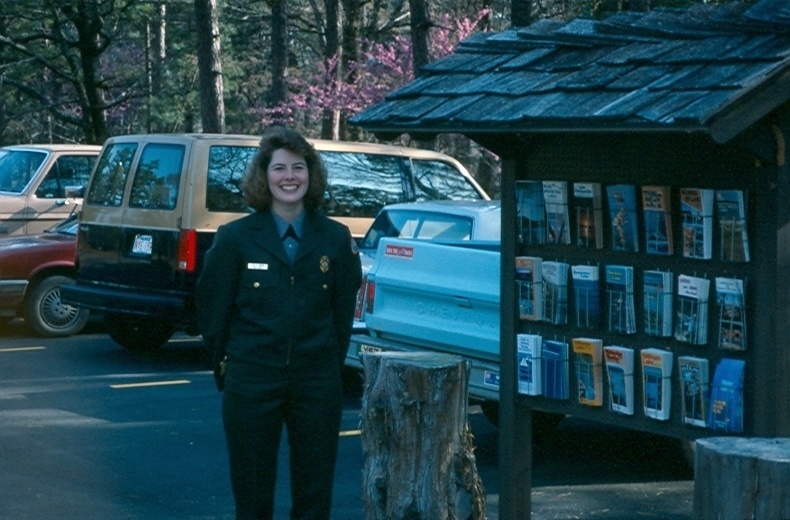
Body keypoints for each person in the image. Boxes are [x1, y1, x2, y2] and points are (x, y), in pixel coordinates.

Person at [196, 126, 362, 520]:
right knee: (252, 497)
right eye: (279, 168)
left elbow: (342, 312)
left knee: (314, 496)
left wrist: (326, 364)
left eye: (299, 168)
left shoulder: (335, 239)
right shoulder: (235, 238)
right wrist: (229, 365)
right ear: (263, 176)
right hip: (253, 379)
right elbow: (213, 310)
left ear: (312, 174)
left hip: (316, 381)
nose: (290, 177)